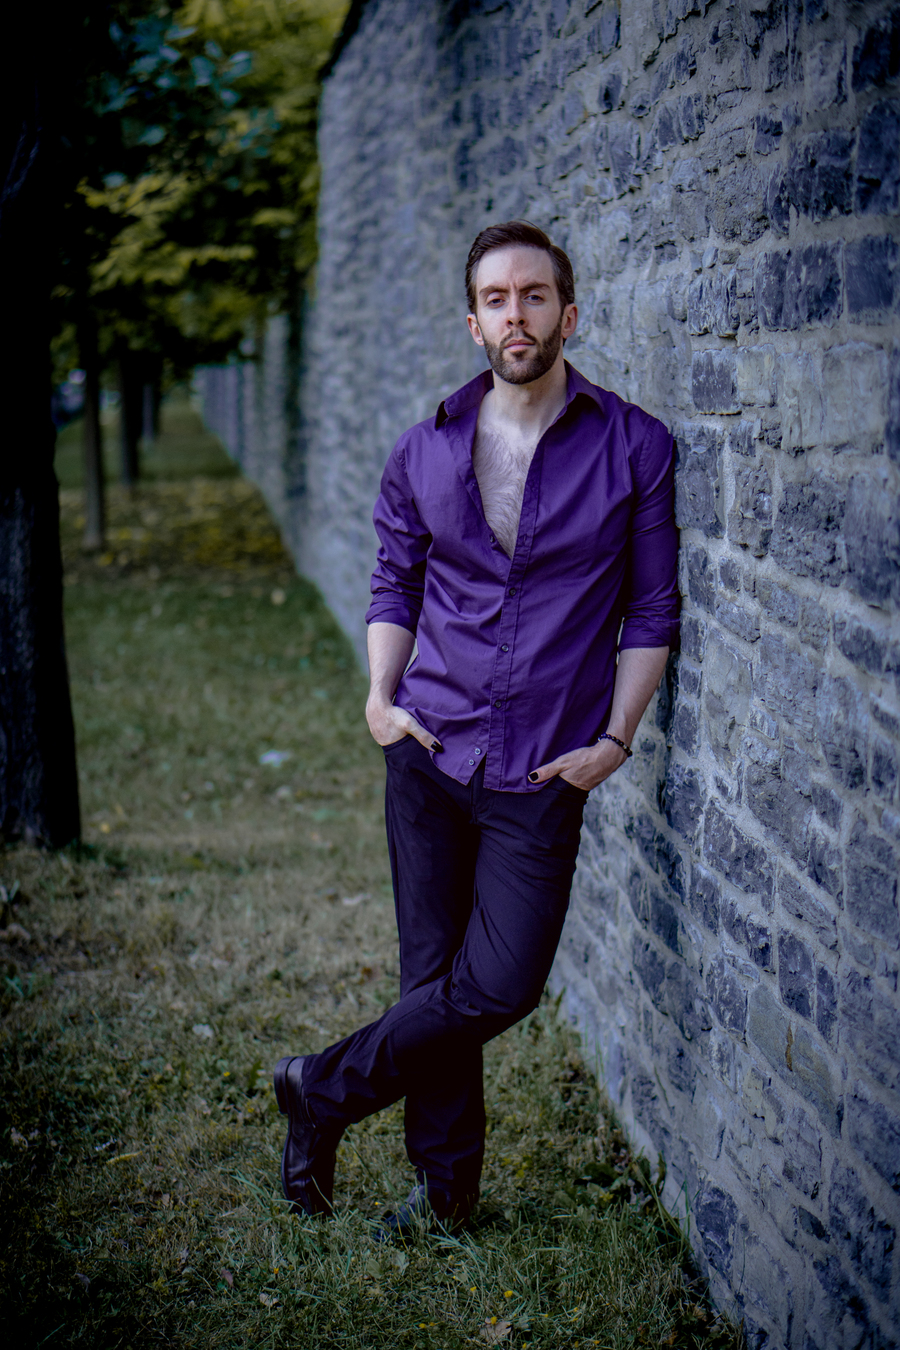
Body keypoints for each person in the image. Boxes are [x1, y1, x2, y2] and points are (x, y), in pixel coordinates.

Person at [274, 220, 679, 1235]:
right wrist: (380, 694)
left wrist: (618, 739)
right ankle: (446, 1196)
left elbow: (654, 612)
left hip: (544, 768)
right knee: (433, 980)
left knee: (497, 984)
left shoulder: (635, 447)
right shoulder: (425, 450)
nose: (517, 314)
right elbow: (393, 582)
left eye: (535, 296)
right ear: (473, 323)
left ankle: (320, 1091)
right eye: (496, 299)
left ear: (568, 314)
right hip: (427, 751)